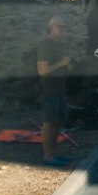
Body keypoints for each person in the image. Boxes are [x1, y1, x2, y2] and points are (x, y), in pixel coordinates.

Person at [34, 13, 74, 165]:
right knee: (49, 123)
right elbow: (42, 70)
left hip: (59, 87)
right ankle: (47, 156)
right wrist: (62, 64)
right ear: (51, 27)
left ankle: (53, 154)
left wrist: (67, 65)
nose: (62, 30)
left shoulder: (58, 44)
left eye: (64, 27)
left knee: (57, 123)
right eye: (59, 27)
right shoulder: (45, 45)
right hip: (48, 88)